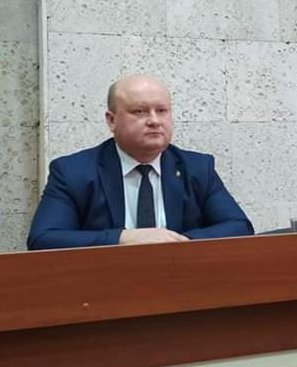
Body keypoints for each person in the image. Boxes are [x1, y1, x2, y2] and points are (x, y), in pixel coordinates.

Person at [27, 76, 253, 250]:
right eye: (140, 111)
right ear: (112, 120)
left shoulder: (197, 168)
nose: (154, 120)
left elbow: (239, 227)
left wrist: (176, 242)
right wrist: (124, 238)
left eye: (162, 111)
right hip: (105, 285)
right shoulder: (73, 171)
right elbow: (43, 239)